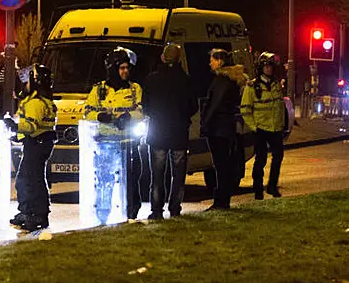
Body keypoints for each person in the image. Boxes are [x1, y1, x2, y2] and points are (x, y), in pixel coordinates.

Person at [83, 46, 144, 222]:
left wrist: (128, 116)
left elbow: (140, 112)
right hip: (105, 144)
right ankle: (103, 216)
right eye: (122, 68)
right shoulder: (99, 90)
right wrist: (101, 116)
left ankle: (131, 215)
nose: (126, 71)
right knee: (104, 181)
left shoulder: (134, 89)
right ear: (113, 69)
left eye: (127, 68)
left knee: (132, 181)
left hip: (129, 144)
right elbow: (87, 112)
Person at [142, 43, 198, 220]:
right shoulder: (186, 80)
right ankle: (175, 207)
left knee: (157, 175)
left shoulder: (151, 79)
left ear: (163, 57)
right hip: (179, 132)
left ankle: (157, 210)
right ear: (179, 58)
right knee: (178, 174)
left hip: (158, 132)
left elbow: (146, 106)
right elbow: (193, 106)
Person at [5, 64, 57, 232]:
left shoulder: (35, 103)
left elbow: (31, 126)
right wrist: (18, 135)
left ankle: (33, 214)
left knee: (27, 180)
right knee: (35, 179)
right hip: (41, 143)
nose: (25, 84)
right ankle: (32, 212)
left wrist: (14, 126)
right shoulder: (45, 101)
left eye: (27, 81)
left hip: (36, 143)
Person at [200, 48, 248, 210]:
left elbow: (214, 105)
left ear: (220, 61)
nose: (210, 63)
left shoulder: (222, 81)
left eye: (212, 59)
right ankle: (222, 199)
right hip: (226, 127)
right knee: (223, 165)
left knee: (220, 165)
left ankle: (221, 201)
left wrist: (205, 124)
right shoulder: (231, 80)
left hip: (218, 129)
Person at [241, 51, 286, 200]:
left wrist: (282, 125)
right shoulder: (252, 87)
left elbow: (279, 106)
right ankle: (258, 189)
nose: (269, 69)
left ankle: (272, 186)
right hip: (260, 128)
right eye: (266, 66)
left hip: (275, 128)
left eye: (271, 66)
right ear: (261, 68)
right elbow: (245, 109)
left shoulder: (276, 85)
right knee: (260, 159)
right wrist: (254, 127)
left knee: (278, 157)